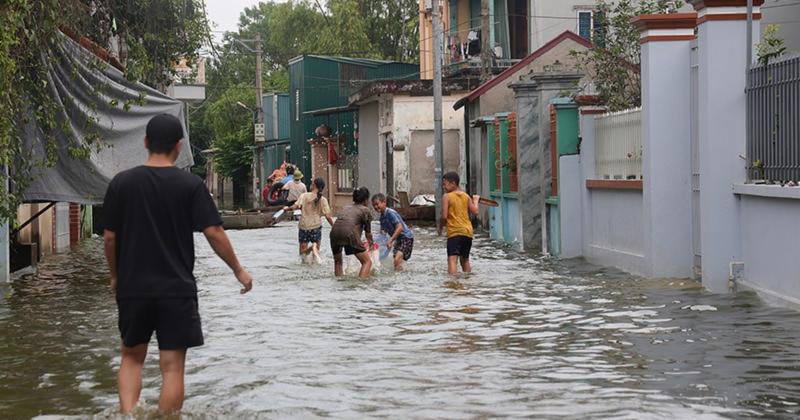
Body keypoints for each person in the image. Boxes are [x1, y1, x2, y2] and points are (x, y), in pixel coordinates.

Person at [102, 114, 253, 415]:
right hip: (177, 289)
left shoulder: (122, 183)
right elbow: (214, 232)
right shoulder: (191, 185)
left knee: (131, 359)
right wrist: (238, 269)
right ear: (178, 146)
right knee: (172, 369)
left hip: (134, 288)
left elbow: (109, 238)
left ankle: (129, 415)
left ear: (146, 143)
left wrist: (116, 276)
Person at [284, 178, 334, 261]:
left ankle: (310, 249)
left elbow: (295, 207)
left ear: (314, 185)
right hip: (316, 226)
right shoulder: (323, 200)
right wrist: (333, 226)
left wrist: (287, 208)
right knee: (316, 253)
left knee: (302, 254)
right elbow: (328, 216)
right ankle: (313, 249)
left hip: (304, 226)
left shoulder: (304, 196)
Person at [439, 171, 479, 275]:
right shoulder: (466, 196)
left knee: (452, 260)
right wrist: (475, 200)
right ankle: (468, 280)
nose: (443, 187)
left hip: (454, 232)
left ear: (453, 183)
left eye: (445, 184)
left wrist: (440, 227)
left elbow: (444, 216)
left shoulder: (447, 196)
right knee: (465, 260)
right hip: (467, 233)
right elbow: (475, 211)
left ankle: (453, 283)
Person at [330, 187, 373, 278]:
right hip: (349, 232)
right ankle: (361, 285)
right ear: (366, 200)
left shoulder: (346, 207)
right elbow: (368, 233)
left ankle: (339, 283)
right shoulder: (365, 210)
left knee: (338, 262)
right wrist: (371, 245)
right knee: (367, 262)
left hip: (334, 232)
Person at [371, 193, 414, 270]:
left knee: (397, 260)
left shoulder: (390, 213)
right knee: (397, 262)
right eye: (374, 205)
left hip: (406, 237)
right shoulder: (382, 218)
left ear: (384, 202)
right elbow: (382, 234)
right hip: (398, 239)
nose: (375, 207)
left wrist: (390, 240)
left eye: (377, 204)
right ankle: (400, 277)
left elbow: (399, 227)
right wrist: (374, 243)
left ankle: (399, 279)